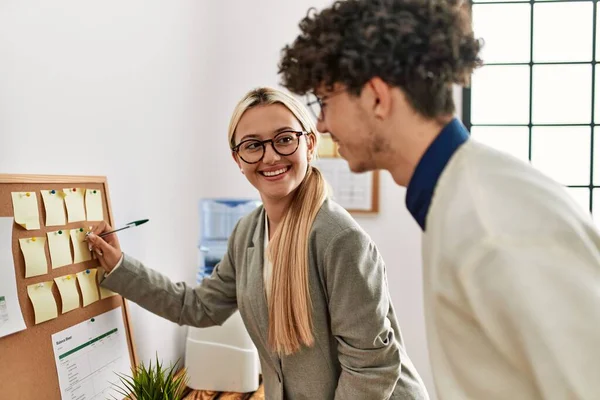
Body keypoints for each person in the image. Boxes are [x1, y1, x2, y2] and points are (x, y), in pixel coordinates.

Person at [277, 0, 600, 399]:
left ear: (377, 97)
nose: (321, 123)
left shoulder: (490, 220)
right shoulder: (460, 199)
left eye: (325, 102)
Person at [86, 87, 429, 399]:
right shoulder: (248, 232)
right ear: (237, 159)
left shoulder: (340, 239)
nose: (270, 157)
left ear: (309, 144)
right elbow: (198, 307)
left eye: (284, 139)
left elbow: (371, 368)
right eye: (253, 145)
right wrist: (119, 264)